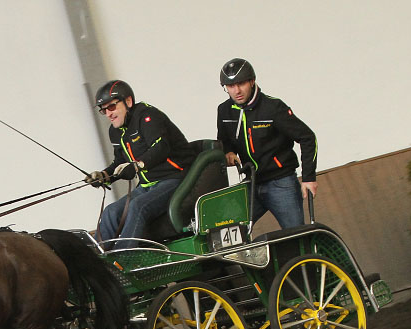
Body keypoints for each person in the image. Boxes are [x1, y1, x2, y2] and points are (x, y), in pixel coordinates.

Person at [85, 80, 196, 248]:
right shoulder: (115, 131)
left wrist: (137, 166)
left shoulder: (148, 117)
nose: (108, 113)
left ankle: (122, 262)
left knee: (138, 207)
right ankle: (98, 261)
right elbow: (120, 161)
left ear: (128, 102)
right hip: (147, 185)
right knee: (111, 212)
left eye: (112, 107)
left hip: (175, 179)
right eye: (103, 110)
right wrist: (104, 176)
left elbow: (161, 147)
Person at [216, 58, 318, 230]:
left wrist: (309, 177)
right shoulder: (224, 111)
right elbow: (224, 140)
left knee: (296, 235)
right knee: (229, 230)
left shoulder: (273, 107)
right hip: (251, 183)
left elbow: (307, 137)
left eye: (241, 84)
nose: (237, 90)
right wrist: (229, 152)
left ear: (252, 81)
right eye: (230, 86)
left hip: (281, 182)